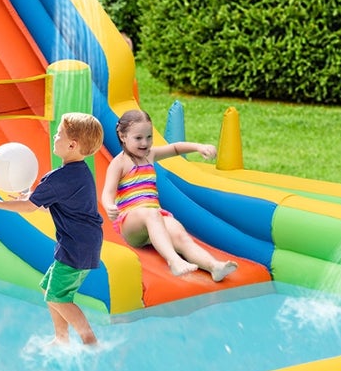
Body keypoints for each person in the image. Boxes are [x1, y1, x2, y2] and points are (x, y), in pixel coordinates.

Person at [0, 113, 106, 346]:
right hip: (83, 242)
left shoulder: (60, 178)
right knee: (50, 289)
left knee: (57, 296)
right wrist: (31, 198)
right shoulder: (80, 172)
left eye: (59, 134)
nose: (54, 136)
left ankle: (90, 341)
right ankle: (61, 338)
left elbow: (29, 208)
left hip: (76, 245)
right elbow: (55, 206)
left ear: (72, 145)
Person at [101, 108, 238, 282]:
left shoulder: (149, 155)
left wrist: (198, 147)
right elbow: (107, 192)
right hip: (131, 223)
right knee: (150, 213)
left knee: (181, 235)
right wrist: (109, 205)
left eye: (149, 137)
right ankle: (174, 261)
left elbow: (174, 148)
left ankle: (214, 266)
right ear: (122, 136)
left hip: (155, 217)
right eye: (138, 138)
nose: (145, 143)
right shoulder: (118, 163)